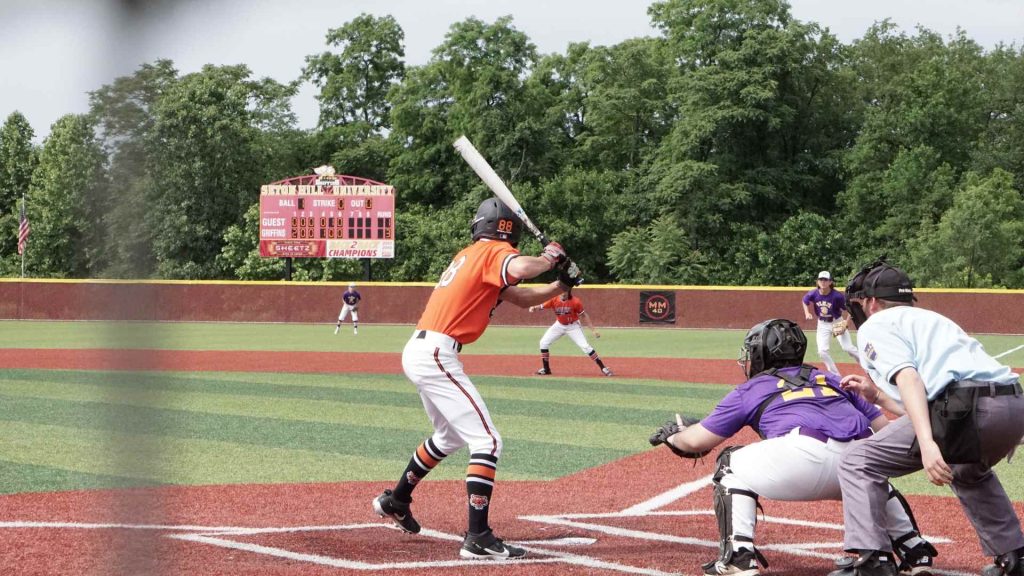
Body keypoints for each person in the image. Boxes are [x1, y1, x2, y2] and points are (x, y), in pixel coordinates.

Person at [372, 197, 582, 561]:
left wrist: (562, 282)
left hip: (424, 350)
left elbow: (520, 297)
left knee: (448, 436)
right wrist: (550, 258)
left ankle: (397, 499)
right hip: (437, 352)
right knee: (487, 441)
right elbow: (523, 267)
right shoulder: (492, 252)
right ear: (507, 229)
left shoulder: (470, 255)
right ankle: (478, 537)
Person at [650, 318, 936, 576]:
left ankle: (738, 557)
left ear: (761, 355)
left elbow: (696, 442)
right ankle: (915, 550)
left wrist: (672, 436)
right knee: (869, 470)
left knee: (729, 461)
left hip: (800, 460)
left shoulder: (751, 388)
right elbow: (885, 432)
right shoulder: (831, 378)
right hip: (855, 462)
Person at [826, 260, 1024, 576]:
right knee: (966, 469)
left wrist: (929, 445)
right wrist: (878, 397)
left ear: (872, 302)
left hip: (968, 409)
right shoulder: (934, 319)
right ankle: (1015, 557)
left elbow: (910, 378)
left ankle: (873, 563)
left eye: (861, 303)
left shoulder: (877, 324)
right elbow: (936, 407)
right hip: (1012, 405)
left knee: (857, 460)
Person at [528, 289, 612, 377]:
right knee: (543, 343)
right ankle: (546, 369)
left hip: (573, 327)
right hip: (559, 325)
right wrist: (534, 308)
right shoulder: (554, 299)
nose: (562, 293)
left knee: (585, 347)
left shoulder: (575, 302)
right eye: (560, 292)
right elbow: (541, 306)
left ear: (568, 292)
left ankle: (603, 368)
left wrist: (593, 330)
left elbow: (584, 315)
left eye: (564, 291)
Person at [802, 270, 859, 374]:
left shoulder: (837, 296)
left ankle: (867, 366)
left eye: (825, 280)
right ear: (817, 281)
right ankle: (835, 375)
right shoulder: (813, 293)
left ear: (830, 282)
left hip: (837, 322)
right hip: (822, 324)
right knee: (822, 351)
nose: (823, 282)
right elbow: (805, 301)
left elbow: (850, 309)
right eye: (821, 279)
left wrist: (846, 323)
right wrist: (807, 313)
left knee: (848, 348)